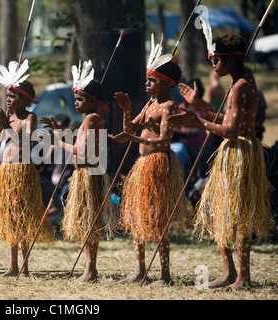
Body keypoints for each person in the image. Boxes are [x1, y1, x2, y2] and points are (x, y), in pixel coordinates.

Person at [168, 25, 275, 289]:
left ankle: (242, 277)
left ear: (230, 58)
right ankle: (232, 274)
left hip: (239, 152)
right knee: (222, 212)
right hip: (237, 150)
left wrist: (197, 120)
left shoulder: (240, 86)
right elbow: (226, 119)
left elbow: (229, 129)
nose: (213, 65)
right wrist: (200, 106)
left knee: (235, 213)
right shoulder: (242, 82)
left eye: (216, 60)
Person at [109, 35, 190, 286]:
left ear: (166, 84)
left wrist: (132, 137)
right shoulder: (151, 103)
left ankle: (164, 275)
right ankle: (140, 270)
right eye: (147, 79)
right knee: (137, 216)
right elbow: (131, 127)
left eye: (151, 80)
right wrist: (125, 112)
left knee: (158, 219)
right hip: (142, 165)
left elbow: (165, 141)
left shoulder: (168, 106)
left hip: (159, 164)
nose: (146, 84)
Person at [40, 60, 117, 282]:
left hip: (89, 175)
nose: (75, 102)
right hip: (83, 175)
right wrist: (61, 132)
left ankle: (91, 269)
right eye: (75, 98)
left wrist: (58, 140)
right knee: (86, 222)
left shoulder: (93, 119)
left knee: (89, 221)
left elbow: (82, 151)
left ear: (93, 100)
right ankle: (89, 268)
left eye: (80, 98)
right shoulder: (88, 119)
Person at [0, 59, 55, 277]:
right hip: (5, 172)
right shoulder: (8, 117)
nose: (8, 99)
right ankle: (12, 266)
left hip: (22, 172)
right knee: (9, 218)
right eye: (7, 95)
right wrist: (0, 128)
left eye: (13, 96)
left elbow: (25, 144)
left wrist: (7, 127)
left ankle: (24, 268)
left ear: (25, 100)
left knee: (22, 216)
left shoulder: (30, 117)